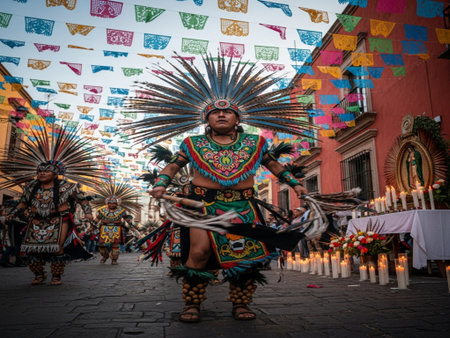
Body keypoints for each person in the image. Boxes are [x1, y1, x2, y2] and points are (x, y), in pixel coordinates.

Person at [127, 55, 311, 323]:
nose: (221, 113)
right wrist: (160, 184)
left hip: (244, 206)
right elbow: (173, 166)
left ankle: (240, 304)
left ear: (237, 118)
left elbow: (275, 166)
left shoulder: (255, 142)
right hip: (204, 206)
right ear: (207, 119)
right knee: (199, 252)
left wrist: (298, 186)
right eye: (215, 111)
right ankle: (192, 303)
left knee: (245, 257)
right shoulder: (192, 143)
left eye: (227, 111)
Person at [0, 124, 101, 285]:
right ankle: (39, 275)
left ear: (55, 173)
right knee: (30, 249)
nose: (41, 173)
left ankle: (56, 276)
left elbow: (82, 200)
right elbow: (23, 203)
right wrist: (13, 213)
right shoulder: (31, 187)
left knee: (57, 247)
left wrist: (88, 213)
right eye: (39, 171)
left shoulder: (68, 187)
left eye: (46, 171)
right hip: (35, 220)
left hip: (59, 220)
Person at [89, 180, 140, 265]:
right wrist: (92, 227)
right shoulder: (102, 210)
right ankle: (105, 256)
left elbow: (127, 219)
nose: (112, 205)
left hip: (116, 228)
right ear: (107, 203)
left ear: (117, 203)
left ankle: (114, 259)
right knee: (101, 244)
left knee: (115, 245)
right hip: (104, 228)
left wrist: (132, 226)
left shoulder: (121, 211)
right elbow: (97, 219)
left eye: (113, 203)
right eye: (110, 203)